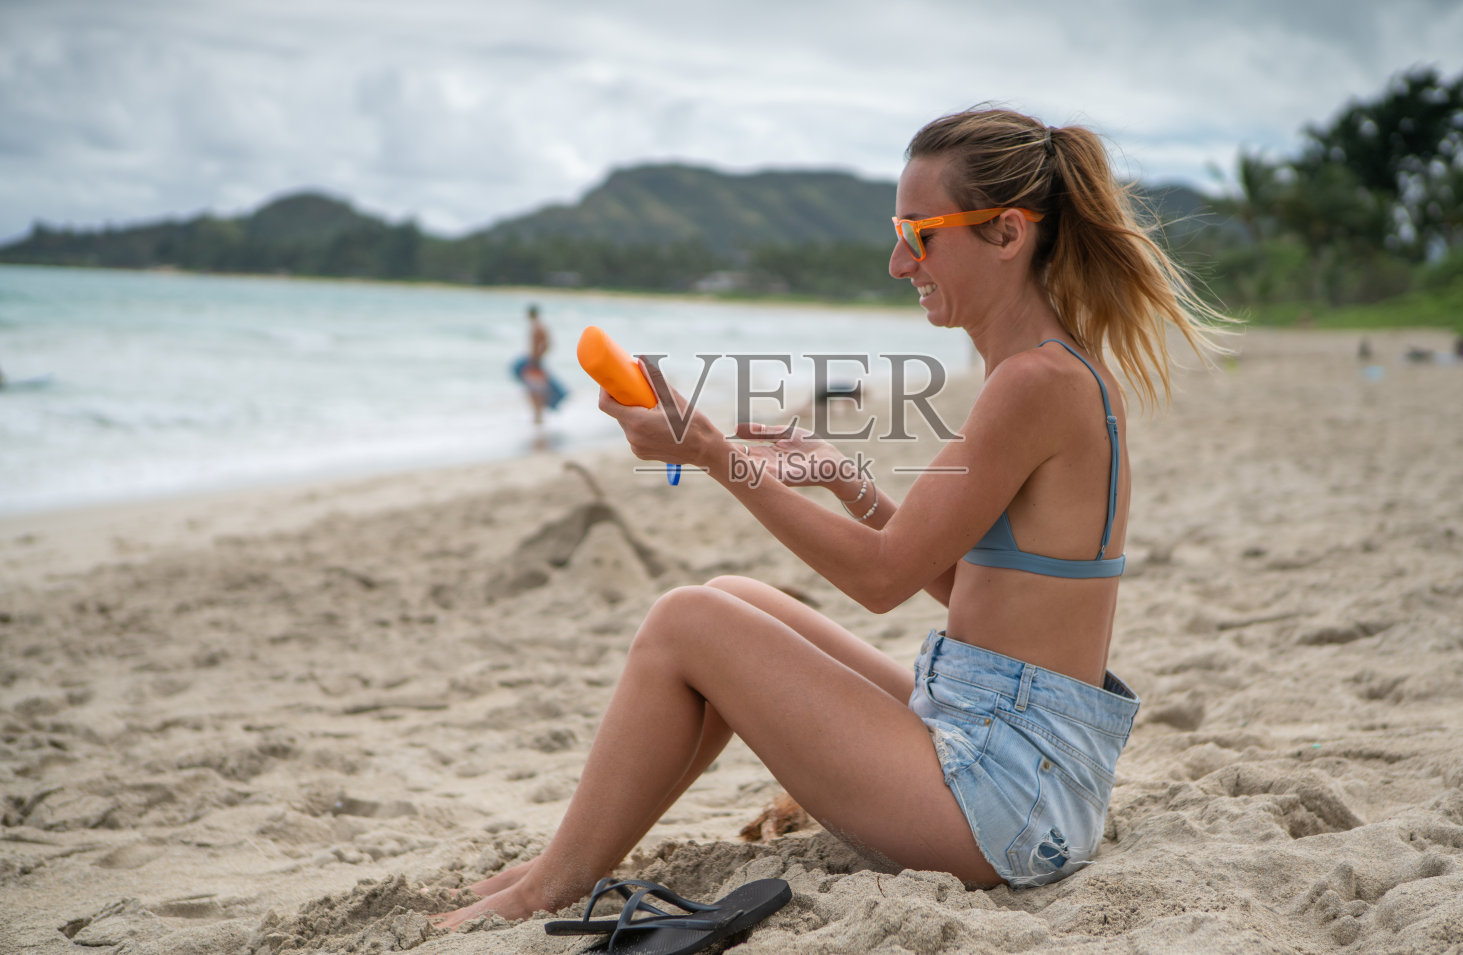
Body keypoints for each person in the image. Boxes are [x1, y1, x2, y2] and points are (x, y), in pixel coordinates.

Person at [440, 107, 1225, 927]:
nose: (897, 262)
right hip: (1026, 770)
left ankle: (545, 887)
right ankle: (569, 857)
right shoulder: (1056, 375)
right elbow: (973, 589)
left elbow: (881, 578)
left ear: (1008, 234)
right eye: (899, 231)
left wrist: (712, 452)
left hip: (1006, 801)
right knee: (737, 597)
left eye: (920, 235)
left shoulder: (1033, 386)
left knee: (688, 621)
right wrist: (847, 481)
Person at [517, 305, 554, 425]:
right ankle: (538, 418)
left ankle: (538, 418)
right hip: (535, 361)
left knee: (535, 391)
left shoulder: (538, 327)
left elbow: (547, 344)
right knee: (535, 390)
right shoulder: (539, 326)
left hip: (535, 362)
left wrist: (536, 358)